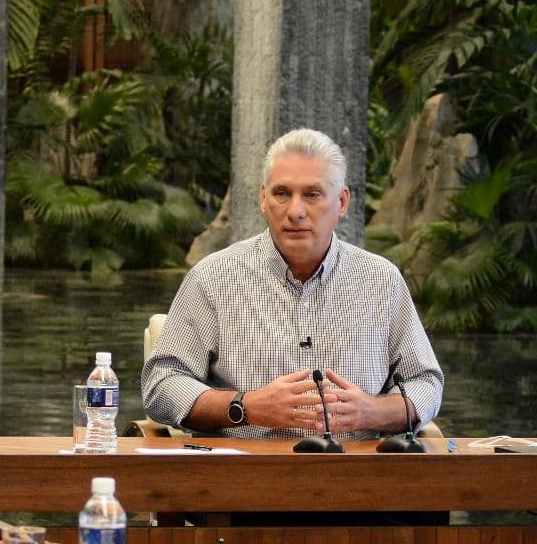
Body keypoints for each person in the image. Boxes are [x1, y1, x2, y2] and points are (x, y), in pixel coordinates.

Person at [142, 127, 444, 440]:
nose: (295, 211)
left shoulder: (382, 281)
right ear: (263, 198)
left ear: (341, 202)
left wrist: (372, 412)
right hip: (244, 477)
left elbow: (426, 383)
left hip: (354, 477)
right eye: (282, 193)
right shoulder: (212, 278)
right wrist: (245, 407)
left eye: (312, 195)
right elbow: (161, 385)